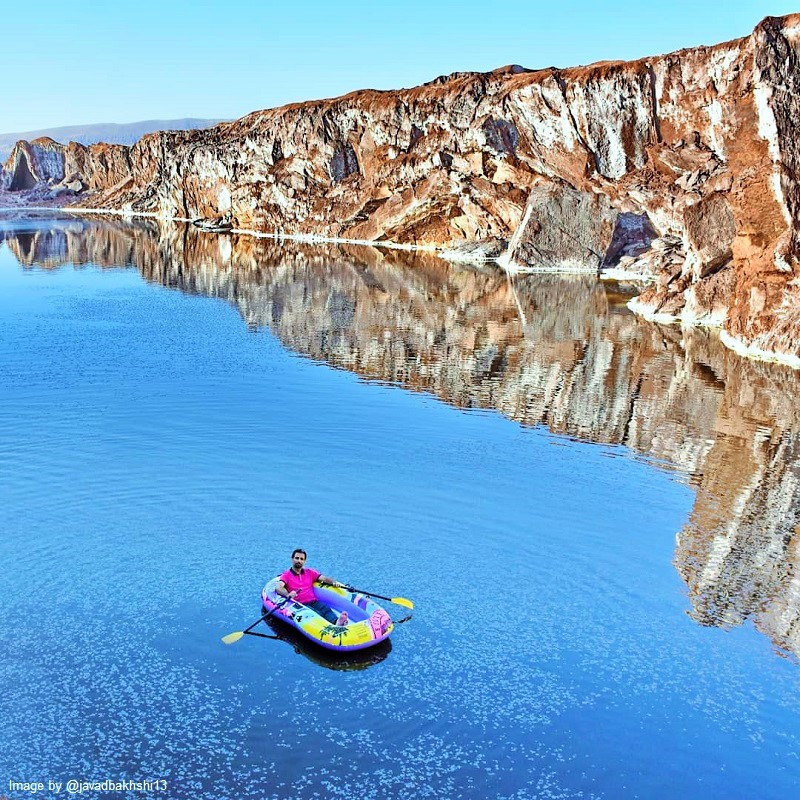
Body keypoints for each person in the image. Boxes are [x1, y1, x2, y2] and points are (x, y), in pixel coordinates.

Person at [275, 548, 349, 626]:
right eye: (297, 558)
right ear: (292, 559)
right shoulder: (286, 575)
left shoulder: (310, 572)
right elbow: (278, 587)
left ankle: (337, 622)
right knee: (315, 613)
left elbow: (324, 578)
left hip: (313, 601)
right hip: (300, 604)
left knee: (325, 609)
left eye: (301, 559)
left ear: (304, 561)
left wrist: (333, 582)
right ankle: (330, 626)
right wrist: (288, 594)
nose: (299, 561)